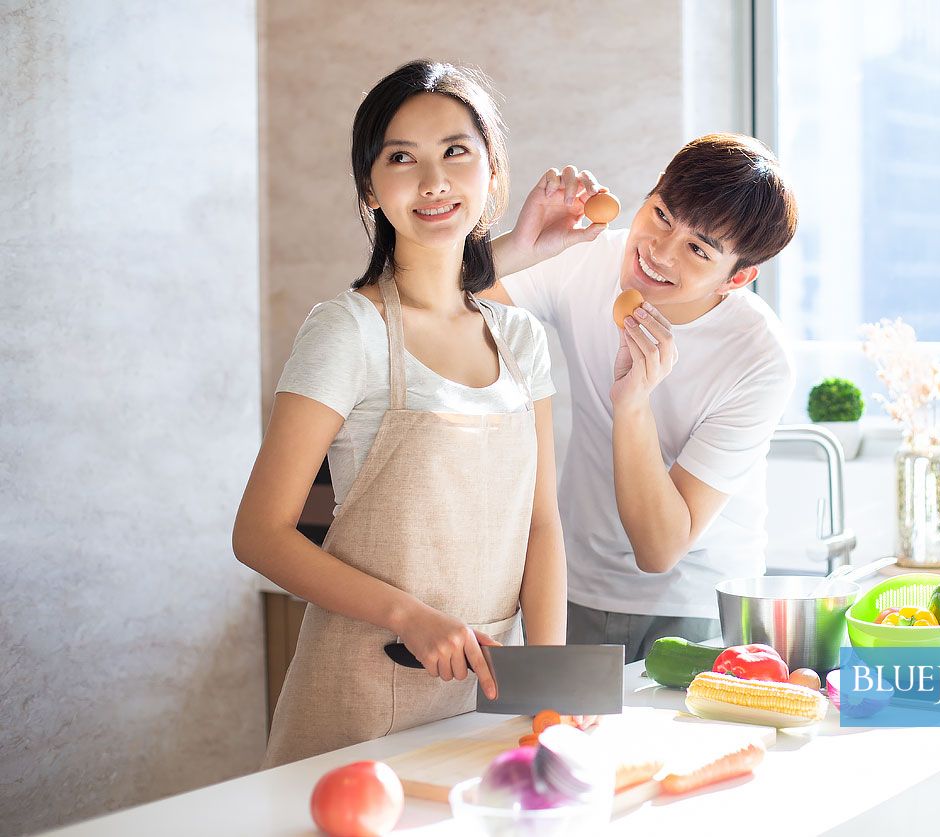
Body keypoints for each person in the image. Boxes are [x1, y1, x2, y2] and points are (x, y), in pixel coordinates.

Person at [233, 60, 568, 768]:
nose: (433, 181)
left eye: (455, 151)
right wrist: (407, 616)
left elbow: (540, 522)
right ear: (369, 188)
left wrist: (553, 682)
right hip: (358, 696)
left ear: (493, 173)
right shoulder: (346, 329)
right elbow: (259, 533)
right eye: (400, 158)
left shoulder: (520, 339)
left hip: (488, 696)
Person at [483, 133, 799, 662]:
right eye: (661, 216)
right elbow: (445, 299)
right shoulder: (586, 261)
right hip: (574, 588)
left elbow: (660, 549)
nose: (657, 251)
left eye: (698, 250)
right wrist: (522, 244)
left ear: (738, 277)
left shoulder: (758, 357)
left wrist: (632, 404)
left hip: (701, 607)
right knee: (563, 741)